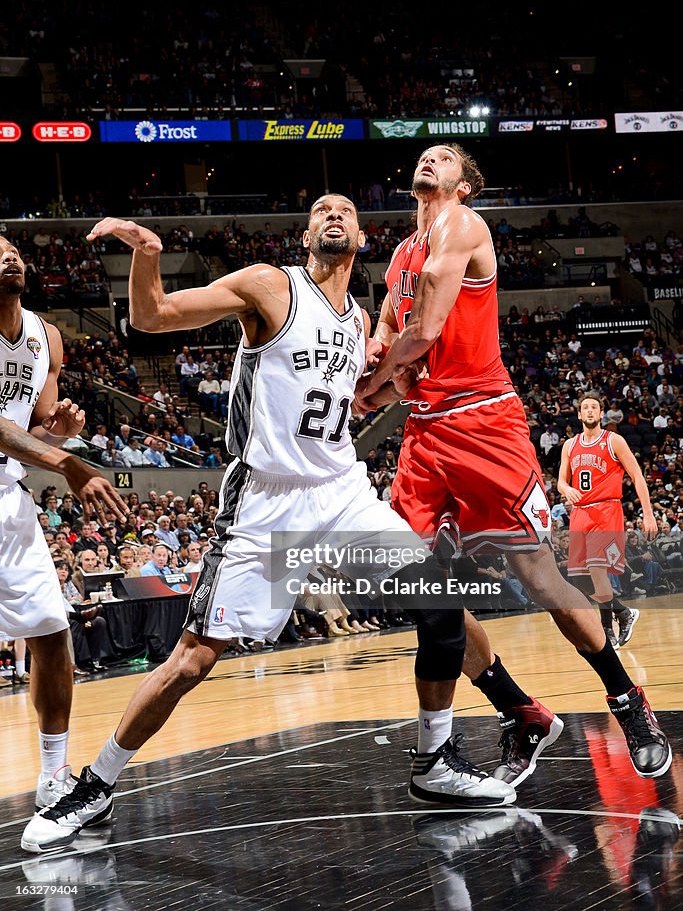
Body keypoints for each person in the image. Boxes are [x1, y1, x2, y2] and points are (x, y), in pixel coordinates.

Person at [21, 195, 518, 854]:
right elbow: (152, 315)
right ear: (307, 233)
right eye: (320, 209)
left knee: (438, 596)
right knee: (194, 656)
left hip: (340, 491)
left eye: (345, 208)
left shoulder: (357, 318)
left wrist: (402, 380)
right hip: (266, 500)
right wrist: (145, 255)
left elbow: (360, 397)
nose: (333, 213)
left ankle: (435, 762)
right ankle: (97, 783)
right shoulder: (271, 285)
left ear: (363, 236)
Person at [357, 143, 671, 794]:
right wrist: (370, 373)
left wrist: (364, 387)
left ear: (465, 184)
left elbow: (421, 334)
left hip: (483, 423)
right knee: (423, 587)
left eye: (444, 157)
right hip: (425, 434)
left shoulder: (463, 227)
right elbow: (387, 344)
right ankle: (521, 712)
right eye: (425, 154)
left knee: (540, 578)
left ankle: (626, 700)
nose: (430, 160)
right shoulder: (398, 255)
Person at [0, 237, 127, 826]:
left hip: (7, 496)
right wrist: (70, 463)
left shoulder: (44, 336)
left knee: (52, 632)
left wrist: (62, 431)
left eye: (12, 249)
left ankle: (53, 775)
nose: (9, 256)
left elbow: (35, 432)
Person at [558, 394, 651, 649]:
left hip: (606, 511)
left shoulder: (614, 441)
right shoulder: (570, 445)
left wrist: (649, 513)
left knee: (598, 570)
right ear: (579, 415)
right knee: (578, 579)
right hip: (579, 513)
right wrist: (567, 490)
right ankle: (623, 612)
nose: (589, 411)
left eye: (594, 408)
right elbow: (561, 481)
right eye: (585, 407)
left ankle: (607, 632)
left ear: (601, 415)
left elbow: (637, 475)